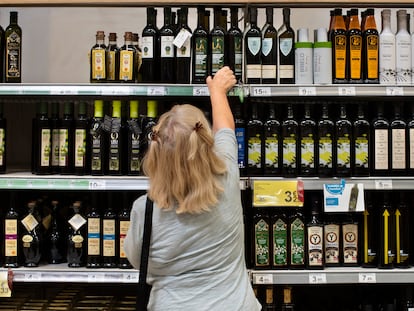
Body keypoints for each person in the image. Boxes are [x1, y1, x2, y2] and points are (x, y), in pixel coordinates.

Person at [124, 66, 261, 311]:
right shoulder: (226, 179)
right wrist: (217, 90)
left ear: (155, 154)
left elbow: (137, 261)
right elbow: (225, 129)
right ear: (205, 143)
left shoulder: (144, 209)